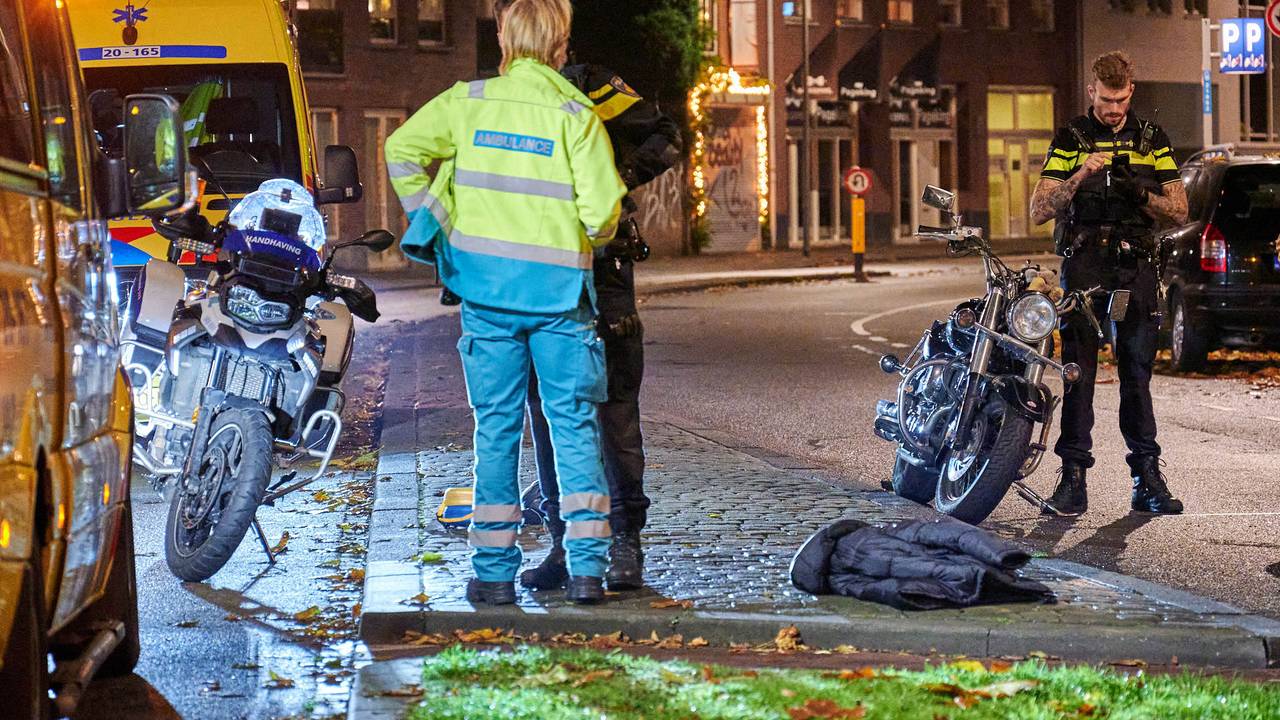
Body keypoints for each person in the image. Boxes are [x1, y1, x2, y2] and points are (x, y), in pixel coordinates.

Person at [384, 0, 627, 605]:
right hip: (559, 298)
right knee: (571, 427)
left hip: (485, 295)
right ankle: (588, 570)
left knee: (495, 429)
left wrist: (437, 222)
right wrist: (574, 240)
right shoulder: (578, 116)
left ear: (503, 37)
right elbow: (602, 214)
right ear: (561, 43)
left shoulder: (467, 104)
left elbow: (401, 152)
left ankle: (493, 573)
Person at [482, 0, 681, 593]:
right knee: (547, 412)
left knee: (613, 404)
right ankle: (567, 543)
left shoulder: (593, 88)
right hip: (535, 269)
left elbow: (665, 137)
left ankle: (624, 543)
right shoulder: (500, 98)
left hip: (601, 269)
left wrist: (609, 182)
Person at [1029, 51, 1188, 517]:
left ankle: (1146, 478)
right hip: (1085, 266)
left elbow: (1179, 209)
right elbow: (1038, 209)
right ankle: (1072, 480)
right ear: (1091, 92)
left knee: (1136, 376)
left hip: (1136, 267)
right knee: (1077, 374)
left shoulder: (1152, 138)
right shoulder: (1072, 137)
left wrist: (1139, 192)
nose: (1114, 109)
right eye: (1105, 99)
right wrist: (1081, 175)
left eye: (1120, 99)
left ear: (1130, 92)